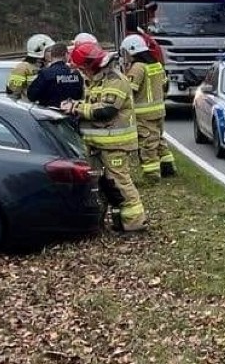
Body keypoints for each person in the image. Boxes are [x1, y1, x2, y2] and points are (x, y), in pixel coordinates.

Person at [61, 41, 147, 232]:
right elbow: (92, 102)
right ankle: (112, 222)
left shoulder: (115, 80)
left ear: (90, 65)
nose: (82, 72)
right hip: (97, 144)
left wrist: (76, 108)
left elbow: (106, 111)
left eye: (82, 68)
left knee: (119, 183)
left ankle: (134, 223)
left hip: (115, 144)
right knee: (103, 186)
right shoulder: (96, 79)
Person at [120, 34, 173, 182]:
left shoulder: (137, 67)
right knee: (159, 139)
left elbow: (129, 90)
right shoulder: (156, 64)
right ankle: (167, 165)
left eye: (126, 52)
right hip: (159, 110)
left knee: (147, 143)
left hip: (143, 113)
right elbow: (165, 85)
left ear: (132, 50)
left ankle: (152, 175)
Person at [27, 41, 83, 108]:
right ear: (66, 55)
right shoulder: (75, 73)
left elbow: (32, 96)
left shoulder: (45, 73)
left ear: (51, 56)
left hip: (49, 114)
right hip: (72, 113)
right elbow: (80, 95)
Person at [7, 33, 54, 100]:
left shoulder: (49, 66)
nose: (53, 53)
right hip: (28, 107)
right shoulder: (22, 68)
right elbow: (13, 93)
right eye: (49, 51)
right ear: (39, 52)